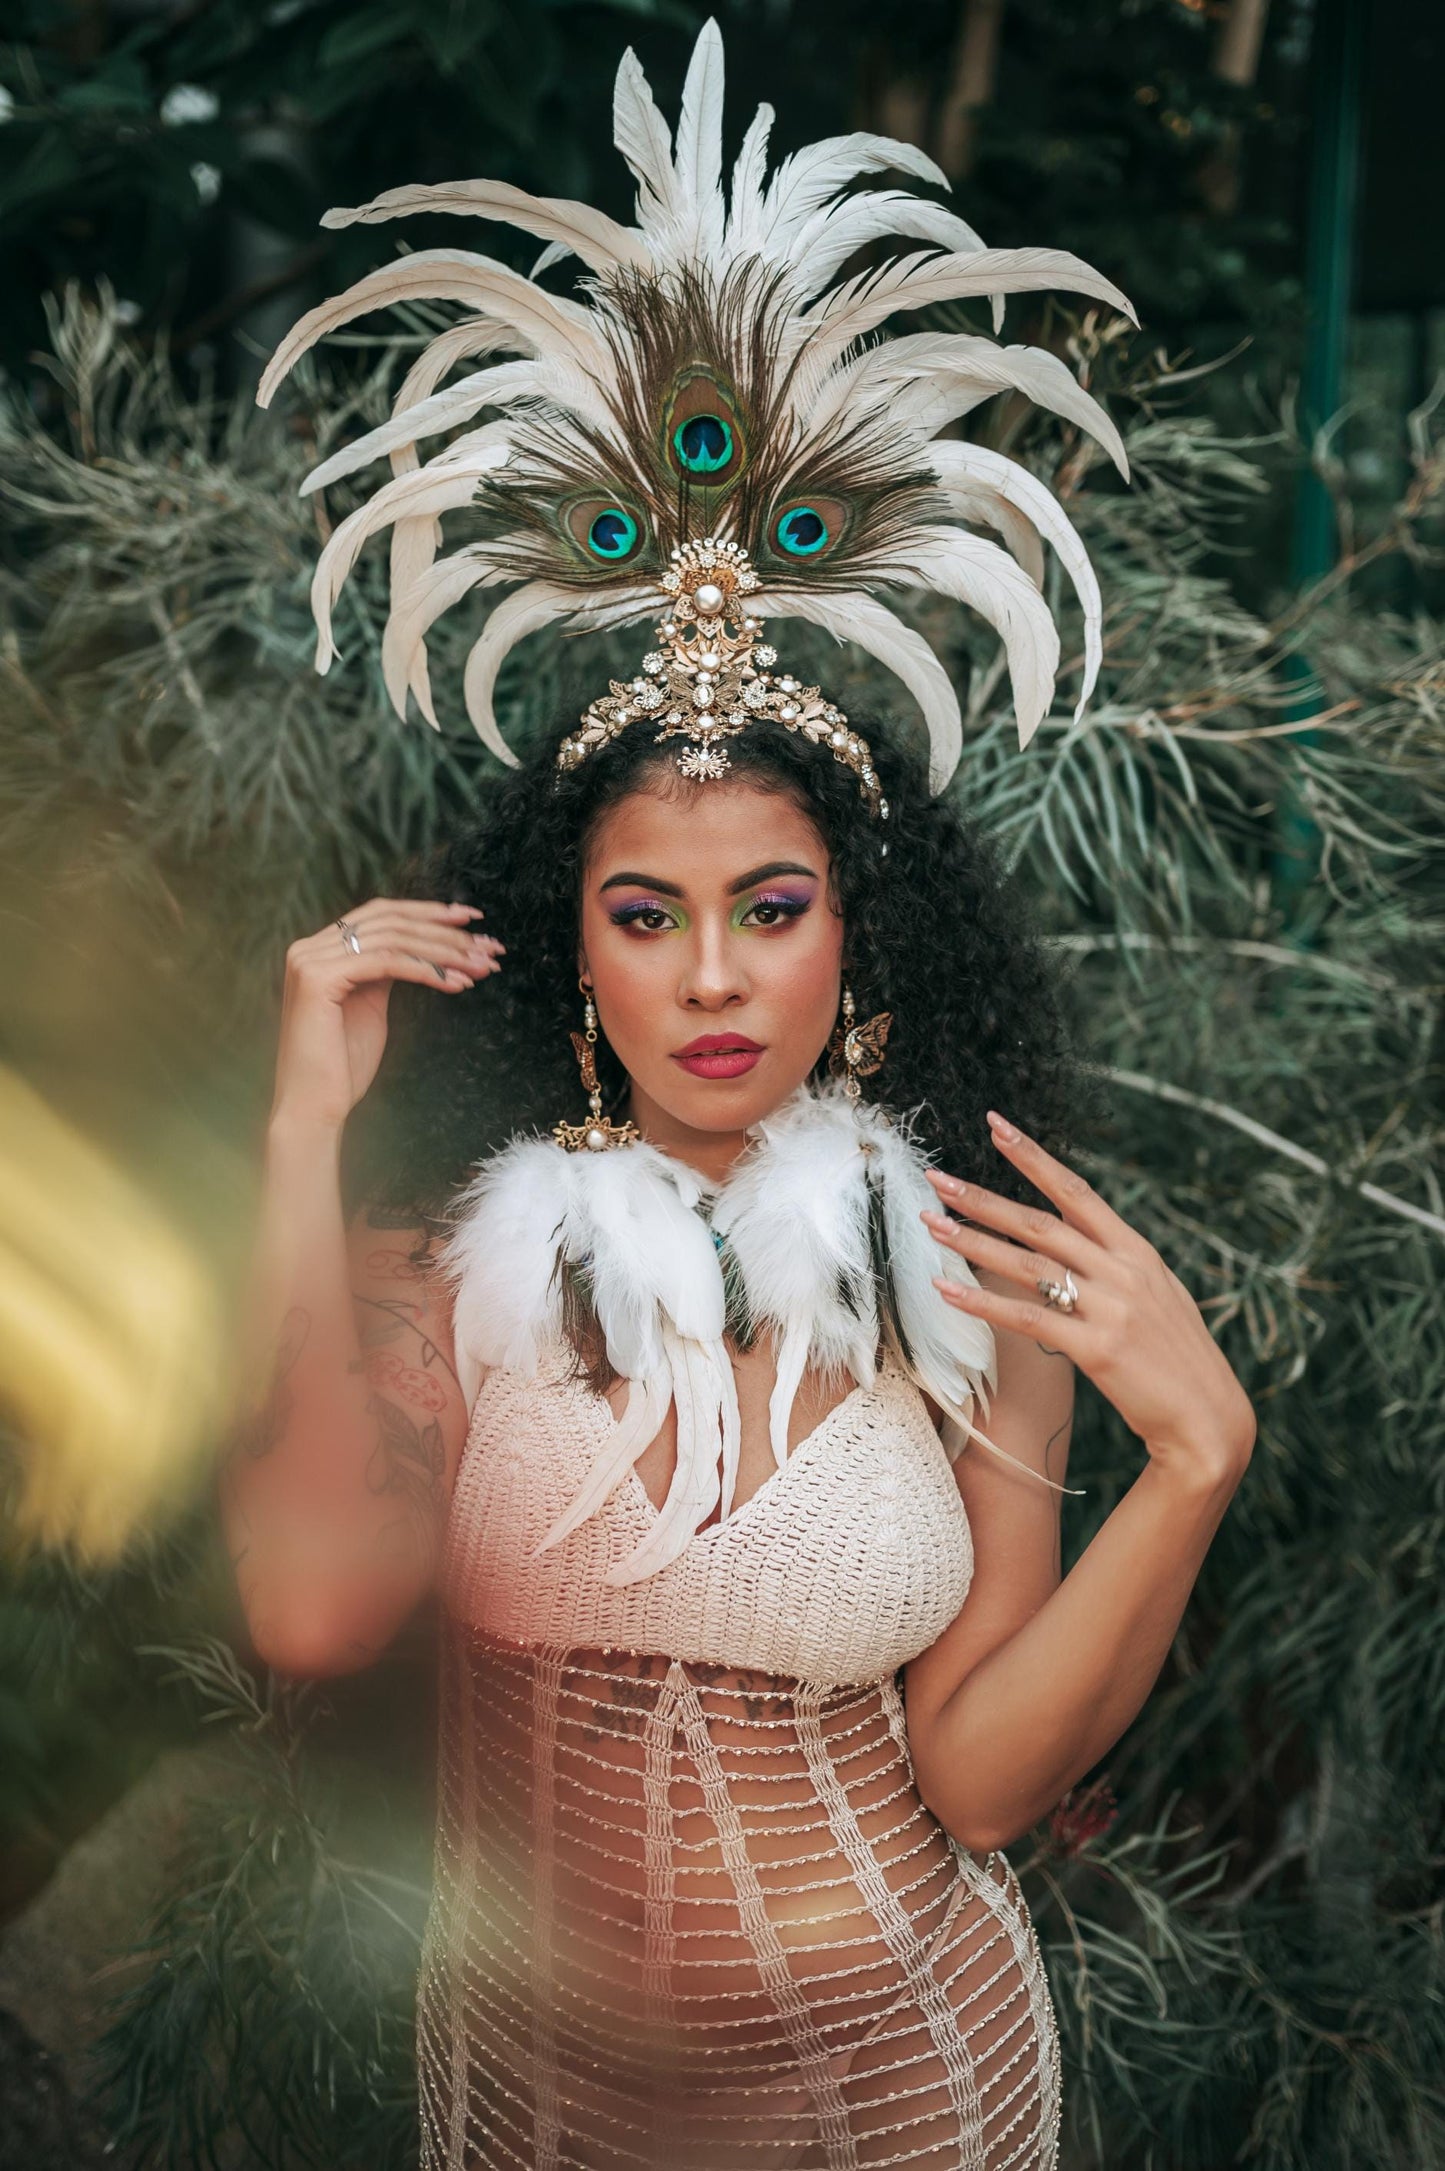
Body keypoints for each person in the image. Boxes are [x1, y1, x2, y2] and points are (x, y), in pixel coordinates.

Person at [226, 22, 1255, 2168]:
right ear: (574, 951)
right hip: (554, 2105)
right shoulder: (459, 1268)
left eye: (771, 909)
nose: (710, 974)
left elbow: (975, 1782)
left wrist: (1194, 1460)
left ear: (858, 942)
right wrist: (300, 1139)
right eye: (647, 914)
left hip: (910, 2087)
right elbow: (309, 1611)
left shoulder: (962, 1277)